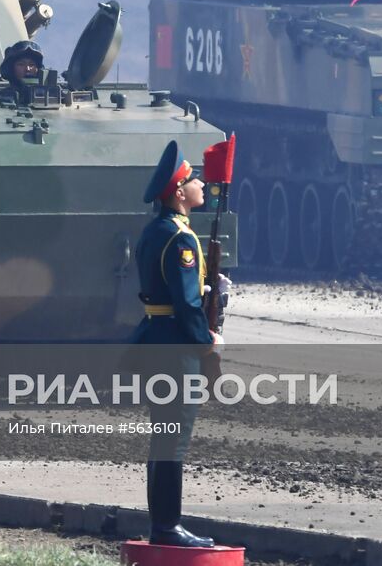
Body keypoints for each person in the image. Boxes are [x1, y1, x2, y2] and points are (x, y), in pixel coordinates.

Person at [132, 140, 221, 549]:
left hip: (155, 340)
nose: (201, 183)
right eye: (193, 179)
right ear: (178, 193)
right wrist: (207, 340)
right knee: (174, 441)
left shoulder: (155, 231)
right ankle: (167, 527)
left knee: (162, 437)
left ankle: (163, 525)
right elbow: (186, 304)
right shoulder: (182, 240)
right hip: (176, 350)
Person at [0, 40, 47, 106]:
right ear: (11, 69)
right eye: (21, 64)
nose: (27, 69)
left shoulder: (49, 95)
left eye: (31, 65)